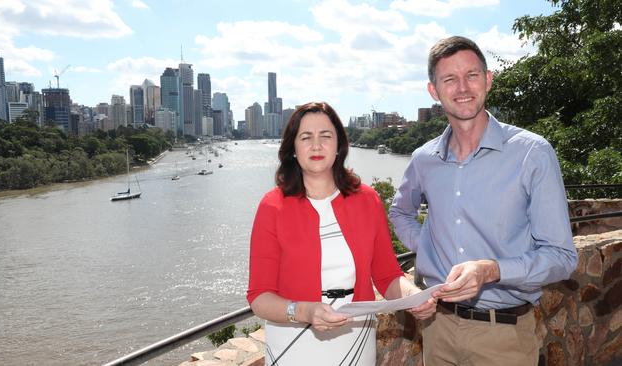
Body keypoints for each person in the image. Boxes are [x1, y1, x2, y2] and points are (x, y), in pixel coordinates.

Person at [389, 36, 578, 365]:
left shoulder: (532, 153)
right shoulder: (424, 159)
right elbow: (400, 211)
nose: (462, 87)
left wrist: (492, 270)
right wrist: (428, 245)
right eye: (449, 79)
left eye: (471, 75)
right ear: (434, 91)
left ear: (488, 80)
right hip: (437, 329)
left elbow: (561, 257)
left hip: (503, 337)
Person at [247, 102, 437, 366]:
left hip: (356, 338)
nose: (316, 145)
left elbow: (387, 275)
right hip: (293, 343)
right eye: (306, 137)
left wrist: (413, 297)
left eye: (325, 136)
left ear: (339, 146)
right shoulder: (272, 207)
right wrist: (303, 311)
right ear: (293, 148)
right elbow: (259, 297)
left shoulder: (366, 199)